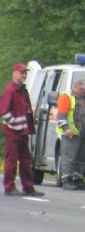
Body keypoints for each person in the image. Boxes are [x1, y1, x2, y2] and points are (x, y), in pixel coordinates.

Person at [1, 63, 43, 196]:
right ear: (14, 73)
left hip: (23, 132)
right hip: (13, 132)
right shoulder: (11, 90)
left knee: (26, 160)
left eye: (25, 73)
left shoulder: (22, 90)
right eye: (21, 72)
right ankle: (9, 187)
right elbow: (4, 111)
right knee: (11, 160)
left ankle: (28, 187)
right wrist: (14, 124)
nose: (23, 75)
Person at [55, 78, 85, 190]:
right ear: (75, 87)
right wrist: (66, 129)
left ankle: (78, 179)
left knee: (81, 157)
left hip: (83, 134)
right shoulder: (66, 97)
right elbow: (61, 116)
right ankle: (67, 179)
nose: (84, 91)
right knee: (69, 157)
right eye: (82, 89)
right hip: (71, 133)